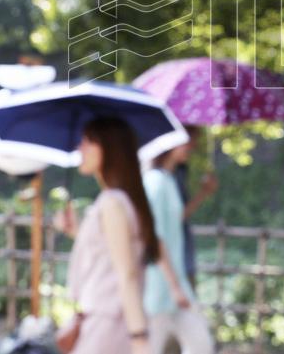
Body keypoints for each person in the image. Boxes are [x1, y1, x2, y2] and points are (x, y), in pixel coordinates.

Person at [56, 117, 188, 354]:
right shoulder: (122, 200)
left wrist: (139, 338)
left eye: (88, 141)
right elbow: (112, 252)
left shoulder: (113, 202)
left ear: (108, 148)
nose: (80, 148)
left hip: (108, 321)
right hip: (105, 319)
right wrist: (75, 230)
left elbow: (126, 272)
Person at [143, 140, 215, 354]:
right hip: (159, 285)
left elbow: (176, 218)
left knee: (200, 343)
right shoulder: (154, 182)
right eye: (183, 143)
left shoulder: (168, 180)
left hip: (175, 282)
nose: (190, 147)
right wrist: (174, 285)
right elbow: (154, 236)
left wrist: (203, 193)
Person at [175, 126, 219, 287]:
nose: (193, 146)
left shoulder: (179, 171)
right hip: (175, 254)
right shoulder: (162, 178)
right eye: (191, 140)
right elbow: (177, 216)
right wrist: (204, 193)